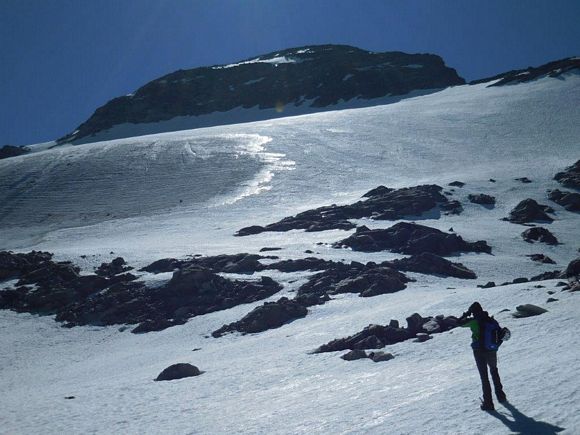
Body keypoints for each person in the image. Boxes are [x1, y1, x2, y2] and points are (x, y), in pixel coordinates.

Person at [459, 302, 507, 411]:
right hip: (492, 350)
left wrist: (466, 314)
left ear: (473, 311)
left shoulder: (474, 322)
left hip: (479, 351)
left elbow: (459, 323)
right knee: (494, 371)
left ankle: (488, 403)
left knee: (484, 377)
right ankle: (501, 396)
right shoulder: (492, 320)